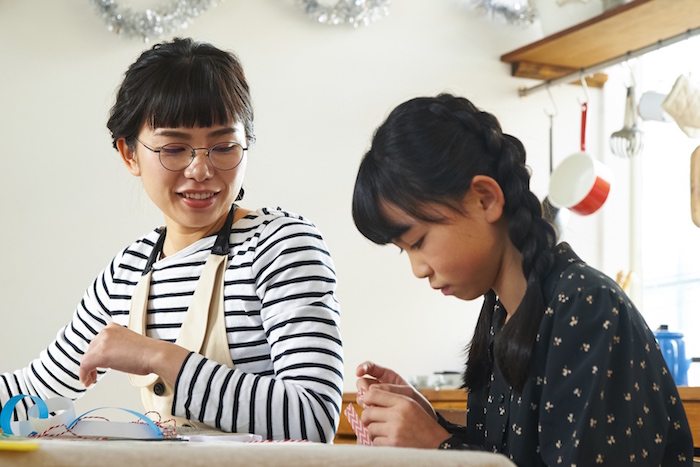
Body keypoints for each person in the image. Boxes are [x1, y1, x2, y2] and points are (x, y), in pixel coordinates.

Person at [0, 38, 343, 443]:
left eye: (223, 146)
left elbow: (314, 418)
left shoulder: (279, 246)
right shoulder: (127, 272)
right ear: (129, 154)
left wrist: (154, 355)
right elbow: (34, 391)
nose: (200, 169)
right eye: (174, 148)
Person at [350, 93, 694, 464]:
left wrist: (436, 444)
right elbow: (511, 455)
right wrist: (429, 422)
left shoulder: (586, 307)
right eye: (405, 250)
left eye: (418, 242)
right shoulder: (501, 314)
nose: (418, 269)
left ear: (485, 199)